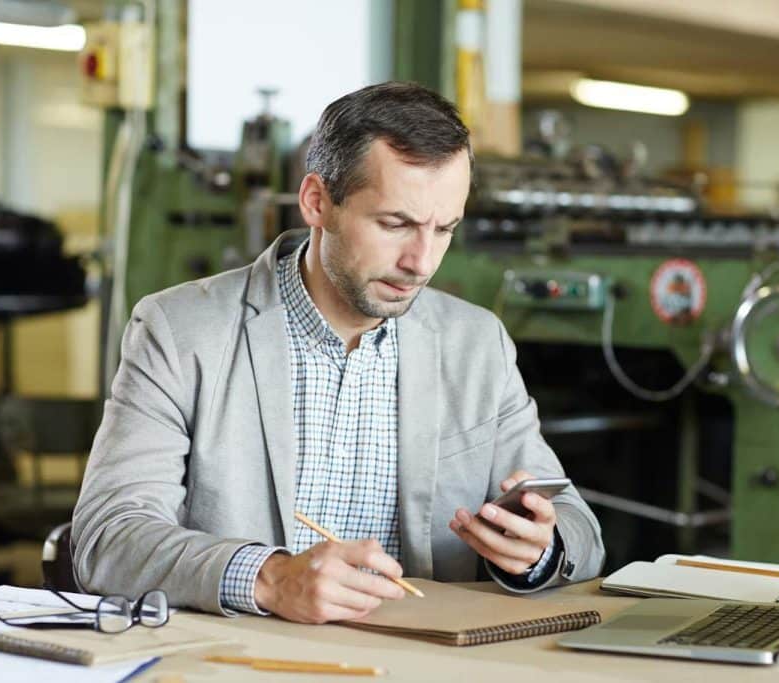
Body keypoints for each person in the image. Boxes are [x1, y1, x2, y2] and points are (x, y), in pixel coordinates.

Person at [73, 82, 604, 624]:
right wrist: (270, 578)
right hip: (243, 662)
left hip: (427, 662)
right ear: (316, 202)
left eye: (443, 229)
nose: (421, 262)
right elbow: (108, 536)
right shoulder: (180, 331)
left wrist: (539, 552)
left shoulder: (476, 344)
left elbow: (578, 526)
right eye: (395, 224)